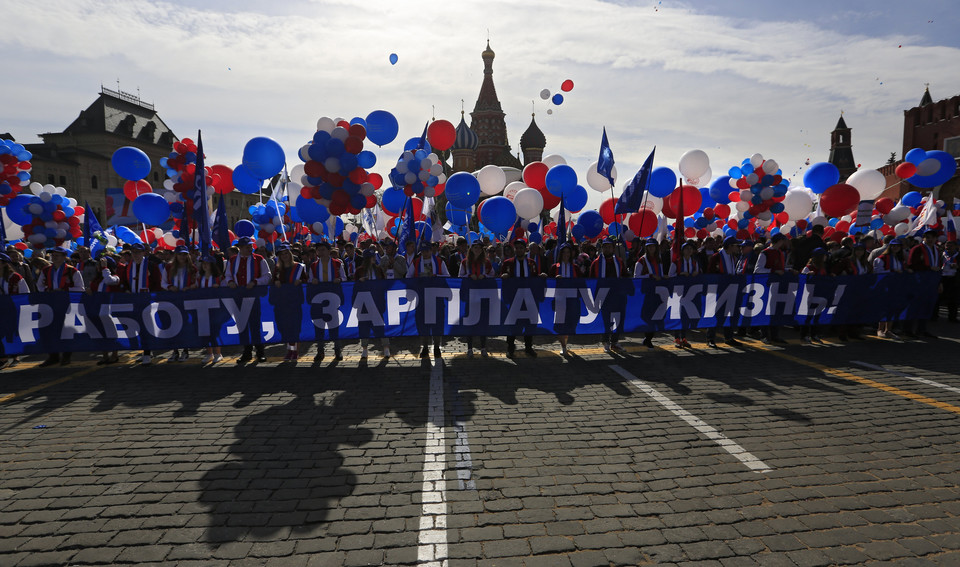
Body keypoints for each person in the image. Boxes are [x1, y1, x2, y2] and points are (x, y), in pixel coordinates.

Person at [224, 236, 272, 363]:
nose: (250, 248)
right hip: (238, 297)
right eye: (247, 247)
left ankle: (260, 352)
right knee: (242, 325)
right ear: (240, 248)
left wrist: (256, 282)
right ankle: (246, 351)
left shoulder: (259, 259)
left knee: (255, 325)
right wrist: (230, 282)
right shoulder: (233, 260)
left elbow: (267, 276)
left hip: (253, 297)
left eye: (250, 246)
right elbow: (228, 274)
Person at [37, 246, 85, 367]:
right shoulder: (46, 270)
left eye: (58, 255)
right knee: (50, 329)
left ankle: (66, 355)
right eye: (53, 254)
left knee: (67, 330)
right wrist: (48, 291)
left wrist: (63, 290)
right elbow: (39, 286)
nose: (54, 256)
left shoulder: (72, 271)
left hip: (66, 304)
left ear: (64, 257)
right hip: (50, 304)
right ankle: (53, 356)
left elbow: (80, 288)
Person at [500, 239, 538, 358]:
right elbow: (502, 279)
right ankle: (510, 348)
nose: (519, 250)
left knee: (529, 324)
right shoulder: (507, 263)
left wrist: (541, 277)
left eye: (521, 248)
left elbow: (536, 279)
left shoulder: (531, 263)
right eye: (517, 248)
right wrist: (504, 276)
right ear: (514, 249)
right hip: (514, 299)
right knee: (512, 324)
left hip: (529, 299)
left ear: (525, 249)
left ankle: (528, 347)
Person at [309, 240, 345, 362]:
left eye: (323, 249)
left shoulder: (337, 263)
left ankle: (337, 350)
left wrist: (339, 279)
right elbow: (309, 280)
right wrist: (312, 281)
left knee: (334, 325)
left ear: (329, 251)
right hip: (318, 299)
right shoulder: (313, 265)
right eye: (318, 250)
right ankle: (320, 351)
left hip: (333, 298)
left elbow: (344, 278)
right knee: (319, 326)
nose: (320, 252)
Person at [412, 242, 450, 358]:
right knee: (423, 324)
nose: (425, 253)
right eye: (423, 251)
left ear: (431, 250)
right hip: (421, 298)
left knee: (437, 323)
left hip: (436, 298)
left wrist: (436, 277)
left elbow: (447, 276)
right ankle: (424, 346)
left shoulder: (439, 261)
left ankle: (437, 346)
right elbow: (408, 277)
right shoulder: (416, 262)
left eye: (427, 251)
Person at [590, 237, 628, 353]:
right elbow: (591, 280)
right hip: (603, 296)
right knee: (606, 320)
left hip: (618, 296)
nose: (607, 249)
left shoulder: (619, 261)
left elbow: (625, 275)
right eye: (605, 247)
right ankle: (606, 341)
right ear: (602, 249)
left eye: (609, 247)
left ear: (613, 248)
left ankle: (615, 342)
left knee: (618, 320)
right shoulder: (596, 263)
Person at [459, 241, 494, 357]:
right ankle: (470, 348)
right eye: (475, 247)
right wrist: (469, 276)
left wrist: (485, 276)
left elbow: (493, 275)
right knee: (470, 323)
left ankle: (483, 347)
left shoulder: (487, 263)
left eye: (479, 248)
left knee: (483, 323)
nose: (477, 250)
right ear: (471, 249)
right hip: (470, 296)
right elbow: (460, 277)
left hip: (483, 297)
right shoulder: (465, 262)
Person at [163, 246, 198, 362]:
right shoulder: (168, 267)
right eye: (180, 254)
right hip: (172, 300)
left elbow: (197, 282)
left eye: (184, 254)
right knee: (173, 325)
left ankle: (185, 350)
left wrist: (191, 287)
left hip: (187, 300)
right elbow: (163, 282)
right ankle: (175, 351)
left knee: (185, 325)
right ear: (176, 256)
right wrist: (170, 287)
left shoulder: (192, 268)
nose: (182, 257)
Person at [273, 243, 307, 361]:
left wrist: (301, 281)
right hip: (282, 303)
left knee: (295, 327)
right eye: (282, 254)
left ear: (290, 254)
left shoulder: (298, 267)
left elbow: (306, 279)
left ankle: (294, 351)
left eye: (286, 253)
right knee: (284, 328)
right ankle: (289, 349)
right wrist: (275, 283)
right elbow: (272, 281)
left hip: (294, 302)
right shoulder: (277, 269)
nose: (284, 256)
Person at [705, 237, 741, 347]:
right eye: (736, 245)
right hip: (718, 291)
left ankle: (728, 337)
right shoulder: (717, 257)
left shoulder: (732, 257)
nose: (738, 248)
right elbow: (710, 273)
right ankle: (710, 338)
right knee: (715, 314)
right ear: (730, 246)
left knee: (729, 313)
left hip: (730, 290)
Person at [904, 229, 941, 338]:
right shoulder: (917, 249)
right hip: (919, 280)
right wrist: (928, 267)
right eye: (928, 237)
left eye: (933, 237)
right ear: (924, 238)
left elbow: (939, 266)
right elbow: (911, 264)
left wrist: (940, 282)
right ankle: (908, 330)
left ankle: (922, 329)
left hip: (932, 280)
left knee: (927, 305)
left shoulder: (937, 250)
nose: (930, 240)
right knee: (914, 305)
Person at [754, 233, 789, 344]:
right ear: (779, 241)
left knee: (776, 311)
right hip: (767, 286)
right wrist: (773, 272)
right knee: (765, 311)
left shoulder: (780, 253)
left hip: (778, 286)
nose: (784, 243)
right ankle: (764, 335)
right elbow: (758, 270)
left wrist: (789, 270)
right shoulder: (765, 253)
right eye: (783, 241)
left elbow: (780, 268)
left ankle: (775, 335)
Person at [356, 248, 388, 359]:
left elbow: (384, 284)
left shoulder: (378, 269)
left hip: (377, 302)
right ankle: (364, 348)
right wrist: (360, 281)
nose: (374, 258)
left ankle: (386, 348)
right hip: (364, 303)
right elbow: (354, 285)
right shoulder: (359, 270)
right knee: (364, 326)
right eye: (372, 256)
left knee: (380, 325)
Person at [89, 254, 121, 365]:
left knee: (111, 331)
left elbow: (108, 280)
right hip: (97, 308)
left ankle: (115, 354)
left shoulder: (116, 277)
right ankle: (105, 355)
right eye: (98, 264)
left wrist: (105, 268)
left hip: (107, 309)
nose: (98, 266)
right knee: (100, 332)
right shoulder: (96, 280)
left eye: (101, 264)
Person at [667, 240, 700, 348]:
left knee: (685, 315)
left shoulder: (694, 262)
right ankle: (677, 338)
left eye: (691, 249)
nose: (689, 250)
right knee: (677, 314)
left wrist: (696, 273)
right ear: (682, 251)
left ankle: (684, 337)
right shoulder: (677, 262)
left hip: (689, 293)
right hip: (678, 292)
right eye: (687, 248)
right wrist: (680, 274)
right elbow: (670, 275)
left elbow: (698, 273)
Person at [0, 252, 30, 369]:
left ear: (4, 264)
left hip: (12, 309)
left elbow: (25, 293)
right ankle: (3, 357)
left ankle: (15, 355)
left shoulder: (15, 277)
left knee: (12, 332)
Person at [634, 238, 664, 349]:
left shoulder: (659, 259)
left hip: (659, 291)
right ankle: (648, 338)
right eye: (650, 246)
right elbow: (636, 277)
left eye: (654, 246)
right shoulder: (641, 261)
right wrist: (650, 276)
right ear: (646, 248)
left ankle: (649, 338)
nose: (652, 248)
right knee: (648, 316)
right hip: (647, 292)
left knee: (656, 316)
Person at [874, 238, 905, 339]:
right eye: (893, 246)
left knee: (893, 308)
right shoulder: (882, 258)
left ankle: (888, 330)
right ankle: (880, 329)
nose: (895, 247)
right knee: (884, 308)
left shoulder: (900, 259)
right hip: (885, 286)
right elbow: (878, 272)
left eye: (897, 246)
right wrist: (892, 271)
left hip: (896, 286)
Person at [197, 255, 224, 364]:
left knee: (215, 331)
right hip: (202, 309)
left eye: (207, 263)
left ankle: (218, 353)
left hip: (215, 309)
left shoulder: (218, 278)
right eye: (203, 263)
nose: (205, 265)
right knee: (205, 332)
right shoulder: (199, 279)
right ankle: (209, 353)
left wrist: (219, 288)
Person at [800, 248, 829, 343]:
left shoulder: (822, 268)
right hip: (809, 296)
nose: (826, 257)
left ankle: (814, 334)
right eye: (824, 255)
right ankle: (805, 335)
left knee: (817, 315)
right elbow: (801, 280)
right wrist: (807, 275)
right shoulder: (808, 267)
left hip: (819, 294)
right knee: (808, 316)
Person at [942, 239, 959, 323]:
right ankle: (934, 315)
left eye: (951, 245)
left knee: (953, 299)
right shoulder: (941, 255)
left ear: (955, 247)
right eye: (947, 245)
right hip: (942, 279)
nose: (948, 247)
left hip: (954, 279)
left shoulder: (958, 255)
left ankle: (952, 317)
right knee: (939, 298)